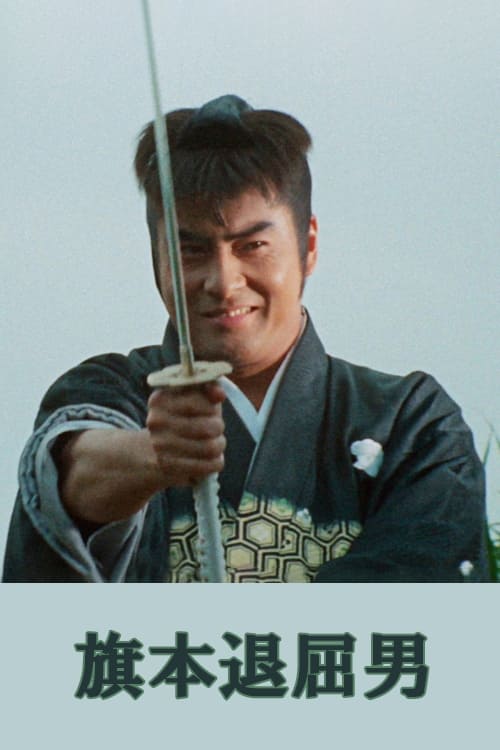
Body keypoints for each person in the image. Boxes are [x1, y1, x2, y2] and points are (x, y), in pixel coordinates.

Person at [3, 95, 489, 583]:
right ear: (156, 258)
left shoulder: (410, 422)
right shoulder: (112, 391)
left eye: (252, 246)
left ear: (309, 245)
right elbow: (72, 468)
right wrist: (153, 455)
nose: (224, 282)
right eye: (191, 251)